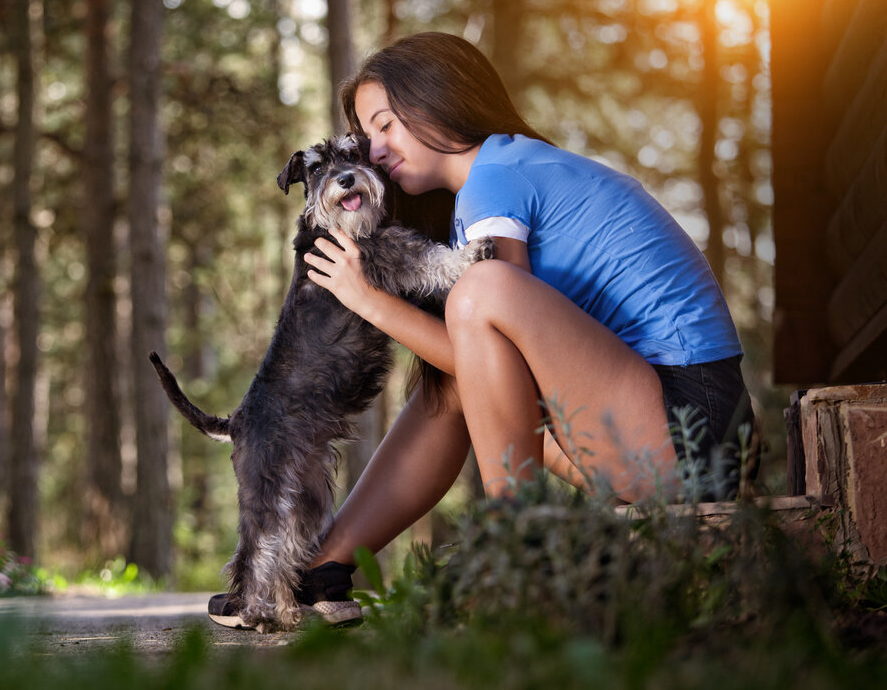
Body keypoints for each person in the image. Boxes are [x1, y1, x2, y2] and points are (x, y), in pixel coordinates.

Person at [217, 31, 754, 629]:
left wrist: (366, 298)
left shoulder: (497, 179)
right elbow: (470, 370)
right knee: (447, 383)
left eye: (386, 125)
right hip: (654, 429)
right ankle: (325, 565)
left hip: (689, 427)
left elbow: (486, 324)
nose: (374, 150)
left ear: (438, 101)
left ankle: (513, 549)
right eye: (368, 136)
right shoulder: (502, 174)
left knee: (480, 291)